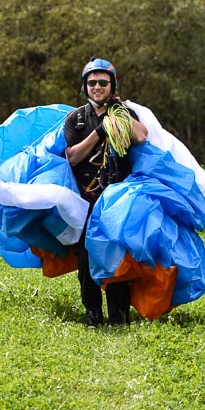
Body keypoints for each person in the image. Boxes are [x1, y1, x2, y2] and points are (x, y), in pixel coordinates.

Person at [63, 57, 148, 326]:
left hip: (117, 198)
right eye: (92, 83)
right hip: (85, 197)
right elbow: (71, 157)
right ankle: (93, 312)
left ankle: (119, 315)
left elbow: (141, 136)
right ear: (85, 86)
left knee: (117, 253)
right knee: (86, 255)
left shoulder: (123, 113)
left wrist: (118, 113)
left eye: (103, 82)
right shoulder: (76, 119)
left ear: (112, 85)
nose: (97, 87)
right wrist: (100, 132)